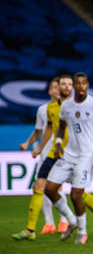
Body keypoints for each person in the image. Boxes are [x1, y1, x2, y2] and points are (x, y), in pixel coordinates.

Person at [44, 72, 93, 244]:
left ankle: (82, 231)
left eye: (84, 83)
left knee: (76, 195)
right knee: (49, 188)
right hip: (68, 154)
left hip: (87, 155)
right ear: (74, 86)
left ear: (87, 85)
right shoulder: (66, 105)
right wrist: (59, 143)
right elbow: (61, 124)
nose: (81, 86)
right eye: (78, 84)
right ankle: (72, 221)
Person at [11, 78, 66, 240]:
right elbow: (39, 131)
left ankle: (64, 221)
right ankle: (49, 223)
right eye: (55, 88)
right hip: (44, 155)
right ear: (50, 91)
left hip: (60, 154)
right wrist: (28, 143)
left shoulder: (67, 107)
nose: (58, 90)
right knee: (40, 188)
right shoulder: (43, 110)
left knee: (56, 188)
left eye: (59, 87)